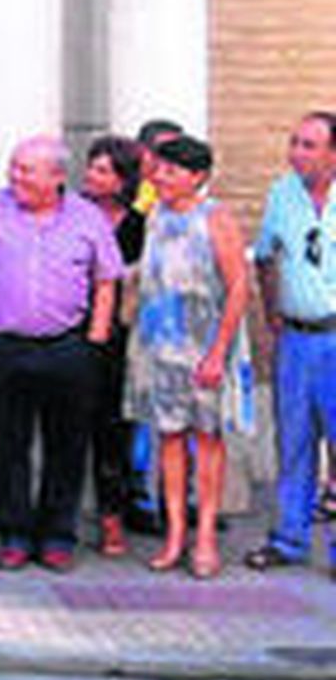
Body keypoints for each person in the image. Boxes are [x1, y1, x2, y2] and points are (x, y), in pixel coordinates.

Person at [0, 136, 124, 573]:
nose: (14, 176)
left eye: (25, 170)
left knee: (67, 446)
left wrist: (96, 336)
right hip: (5, 343)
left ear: (56, 176)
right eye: (14, 167)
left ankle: (57, 536)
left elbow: (107, 278)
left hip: (68, 346)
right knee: (6, 445)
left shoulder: (87, 217)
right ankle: (14, 535)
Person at [124, 136, 251, 580]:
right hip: (158, 347)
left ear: (197, 176)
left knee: (208, 439)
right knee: (169, 439)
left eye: (171, 171)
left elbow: (238, 286)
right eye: (159, 169)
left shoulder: (215, 218)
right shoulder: (156, 217)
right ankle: (174, 534)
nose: (160, 178)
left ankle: (205, 538)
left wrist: (218, 351)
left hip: (204, 346)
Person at [245, 110, 336, 579]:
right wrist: (272, 313)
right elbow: (265, 256)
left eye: (308, 145)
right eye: (294, 142)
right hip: (297, 340)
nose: (296, 153)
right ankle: (289, 538)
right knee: (294, 441)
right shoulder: (282, 193)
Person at [80, 134, 147, 556]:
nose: (91, 175)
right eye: (91, 166)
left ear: (123, 179)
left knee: (113, 430)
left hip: (121, 339)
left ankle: (112, 518)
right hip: (72, 329)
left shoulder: (139, 226)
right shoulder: (72, 215)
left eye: (103, 170)